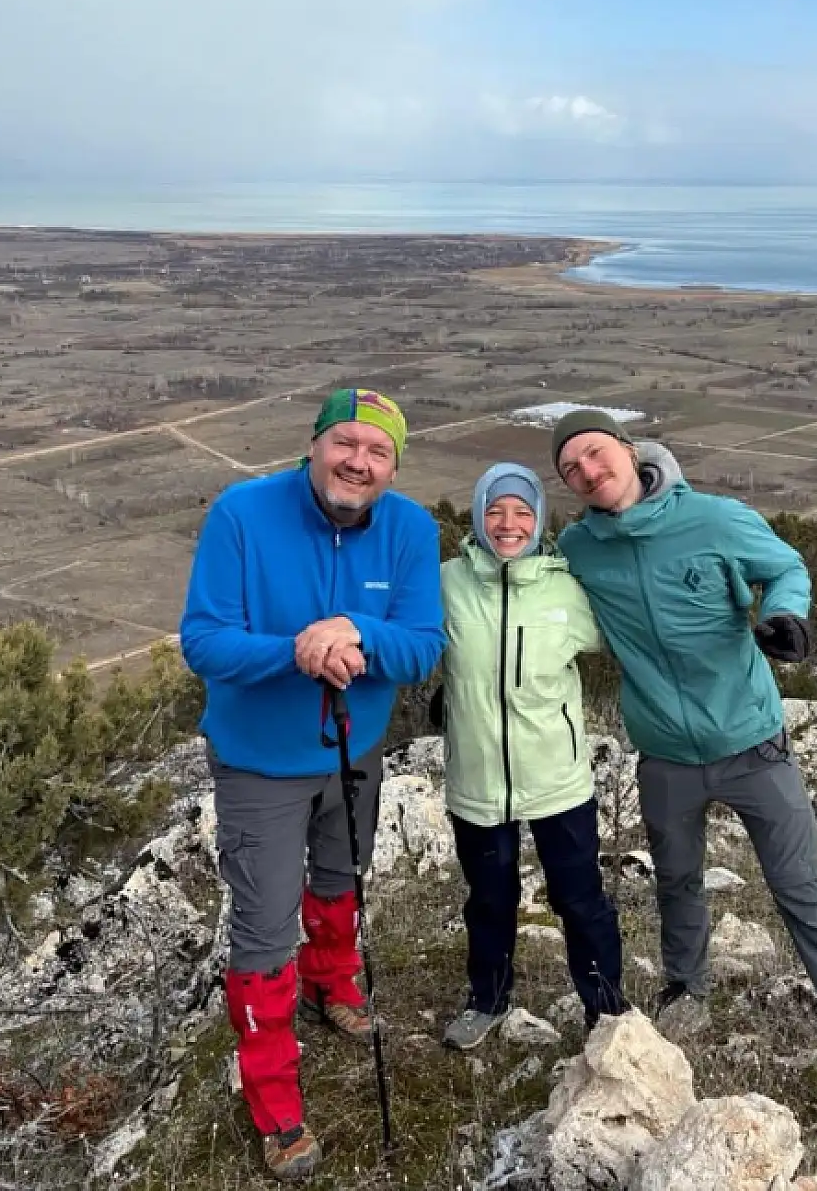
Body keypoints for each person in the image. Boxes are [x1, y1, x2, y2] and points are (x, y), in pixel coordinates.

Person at [548, 408, 817, 1156]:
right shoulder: (579, 548)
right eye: (572, 470)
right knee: (678, 881)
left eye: (596, 454)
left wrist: (788, 615)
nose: (590, 472)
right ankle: (688, 989)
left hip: (754, 745)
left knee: (805, 897)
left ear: (628, 451)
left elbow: (785, 566)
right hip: (663, 754)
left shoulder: (714, 519)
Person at [179, 387, 446, 1182]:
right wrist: (295, 651)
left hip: (354, 754)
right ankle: (275, 1102)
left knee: (340, 879)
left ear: (395, 467)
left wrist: (360, 631)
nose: (359, 462)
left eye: (379, 452)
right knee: (262, 929)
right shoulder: (242, 513)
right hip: (261, 763)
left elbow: (423, 647)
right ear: (316, 443)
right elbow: (204, 640)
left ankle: (333, 982)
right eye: (347, 443)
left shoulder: (410, 530)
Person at [434, 462, 629, 1049]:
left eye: (522, 512)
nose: (508, 523)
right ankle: (487, 1000)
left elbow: (630, 635)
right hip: (477, 778)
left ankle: (607, 1011)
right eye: (496, 510)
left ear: (540, 520)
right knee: (490, 900)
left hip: (558, 778)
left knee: (580, 899)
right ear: (477, 515)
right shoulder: (445, 583)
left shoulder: (568, 588)